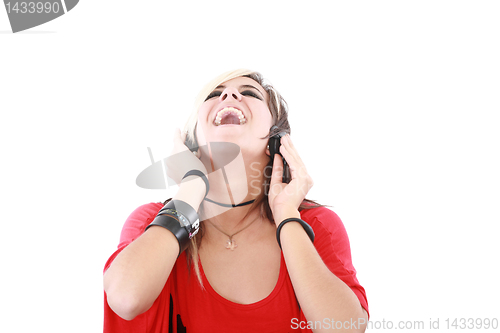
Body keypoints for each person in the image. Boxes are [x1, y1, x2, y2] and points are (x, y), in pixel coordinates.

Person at [103, 69, 369, 332]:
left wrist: (287, 216)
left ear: (276, 140)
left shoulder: (315, 224)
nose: (229, 94)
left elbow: (343, 328)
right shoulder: (151, 223)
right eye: (215, 94)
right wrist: (190, 190)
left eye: (249, 93)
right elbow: (126, 299)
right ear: (192, 144)